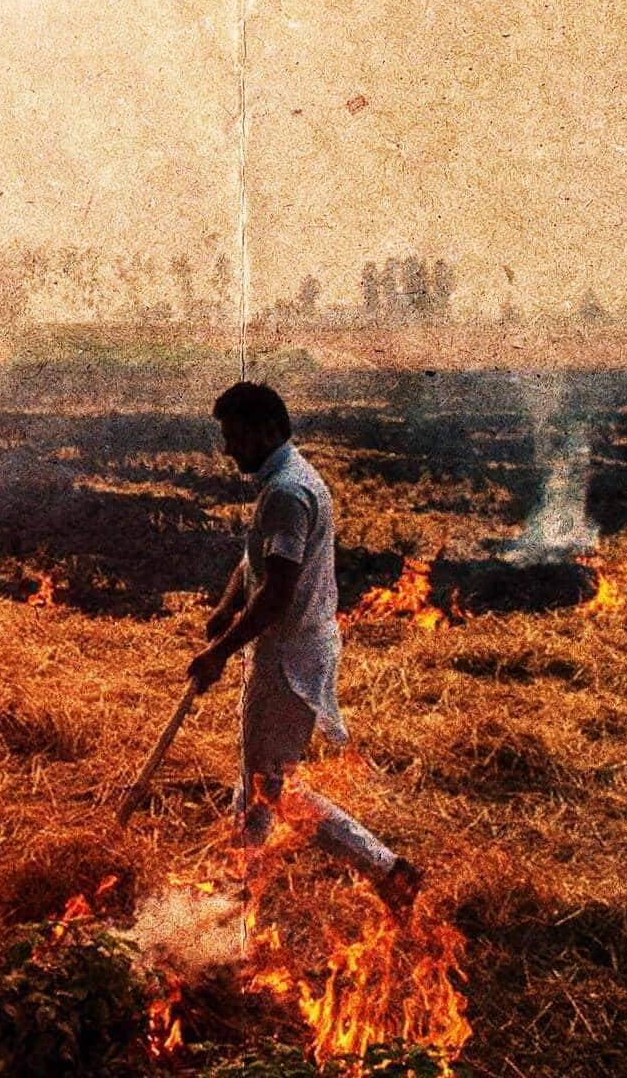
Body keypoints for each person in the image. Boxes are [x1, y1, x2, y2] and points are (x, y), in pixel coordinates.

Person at [186, 381, 422, 918]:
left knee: (269, 785)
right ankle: (237, 888)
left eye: (234, 437)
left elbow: (276, 592)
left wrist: (220, 651)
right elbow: (257, 564)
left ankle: (383, 870)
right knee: (265, 781)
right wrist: (225, 608)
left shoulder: (288, 493)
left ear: (267, 431)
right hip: (292, 649)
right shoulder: (284, 483)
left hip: (287, 657)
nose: (228, 450)